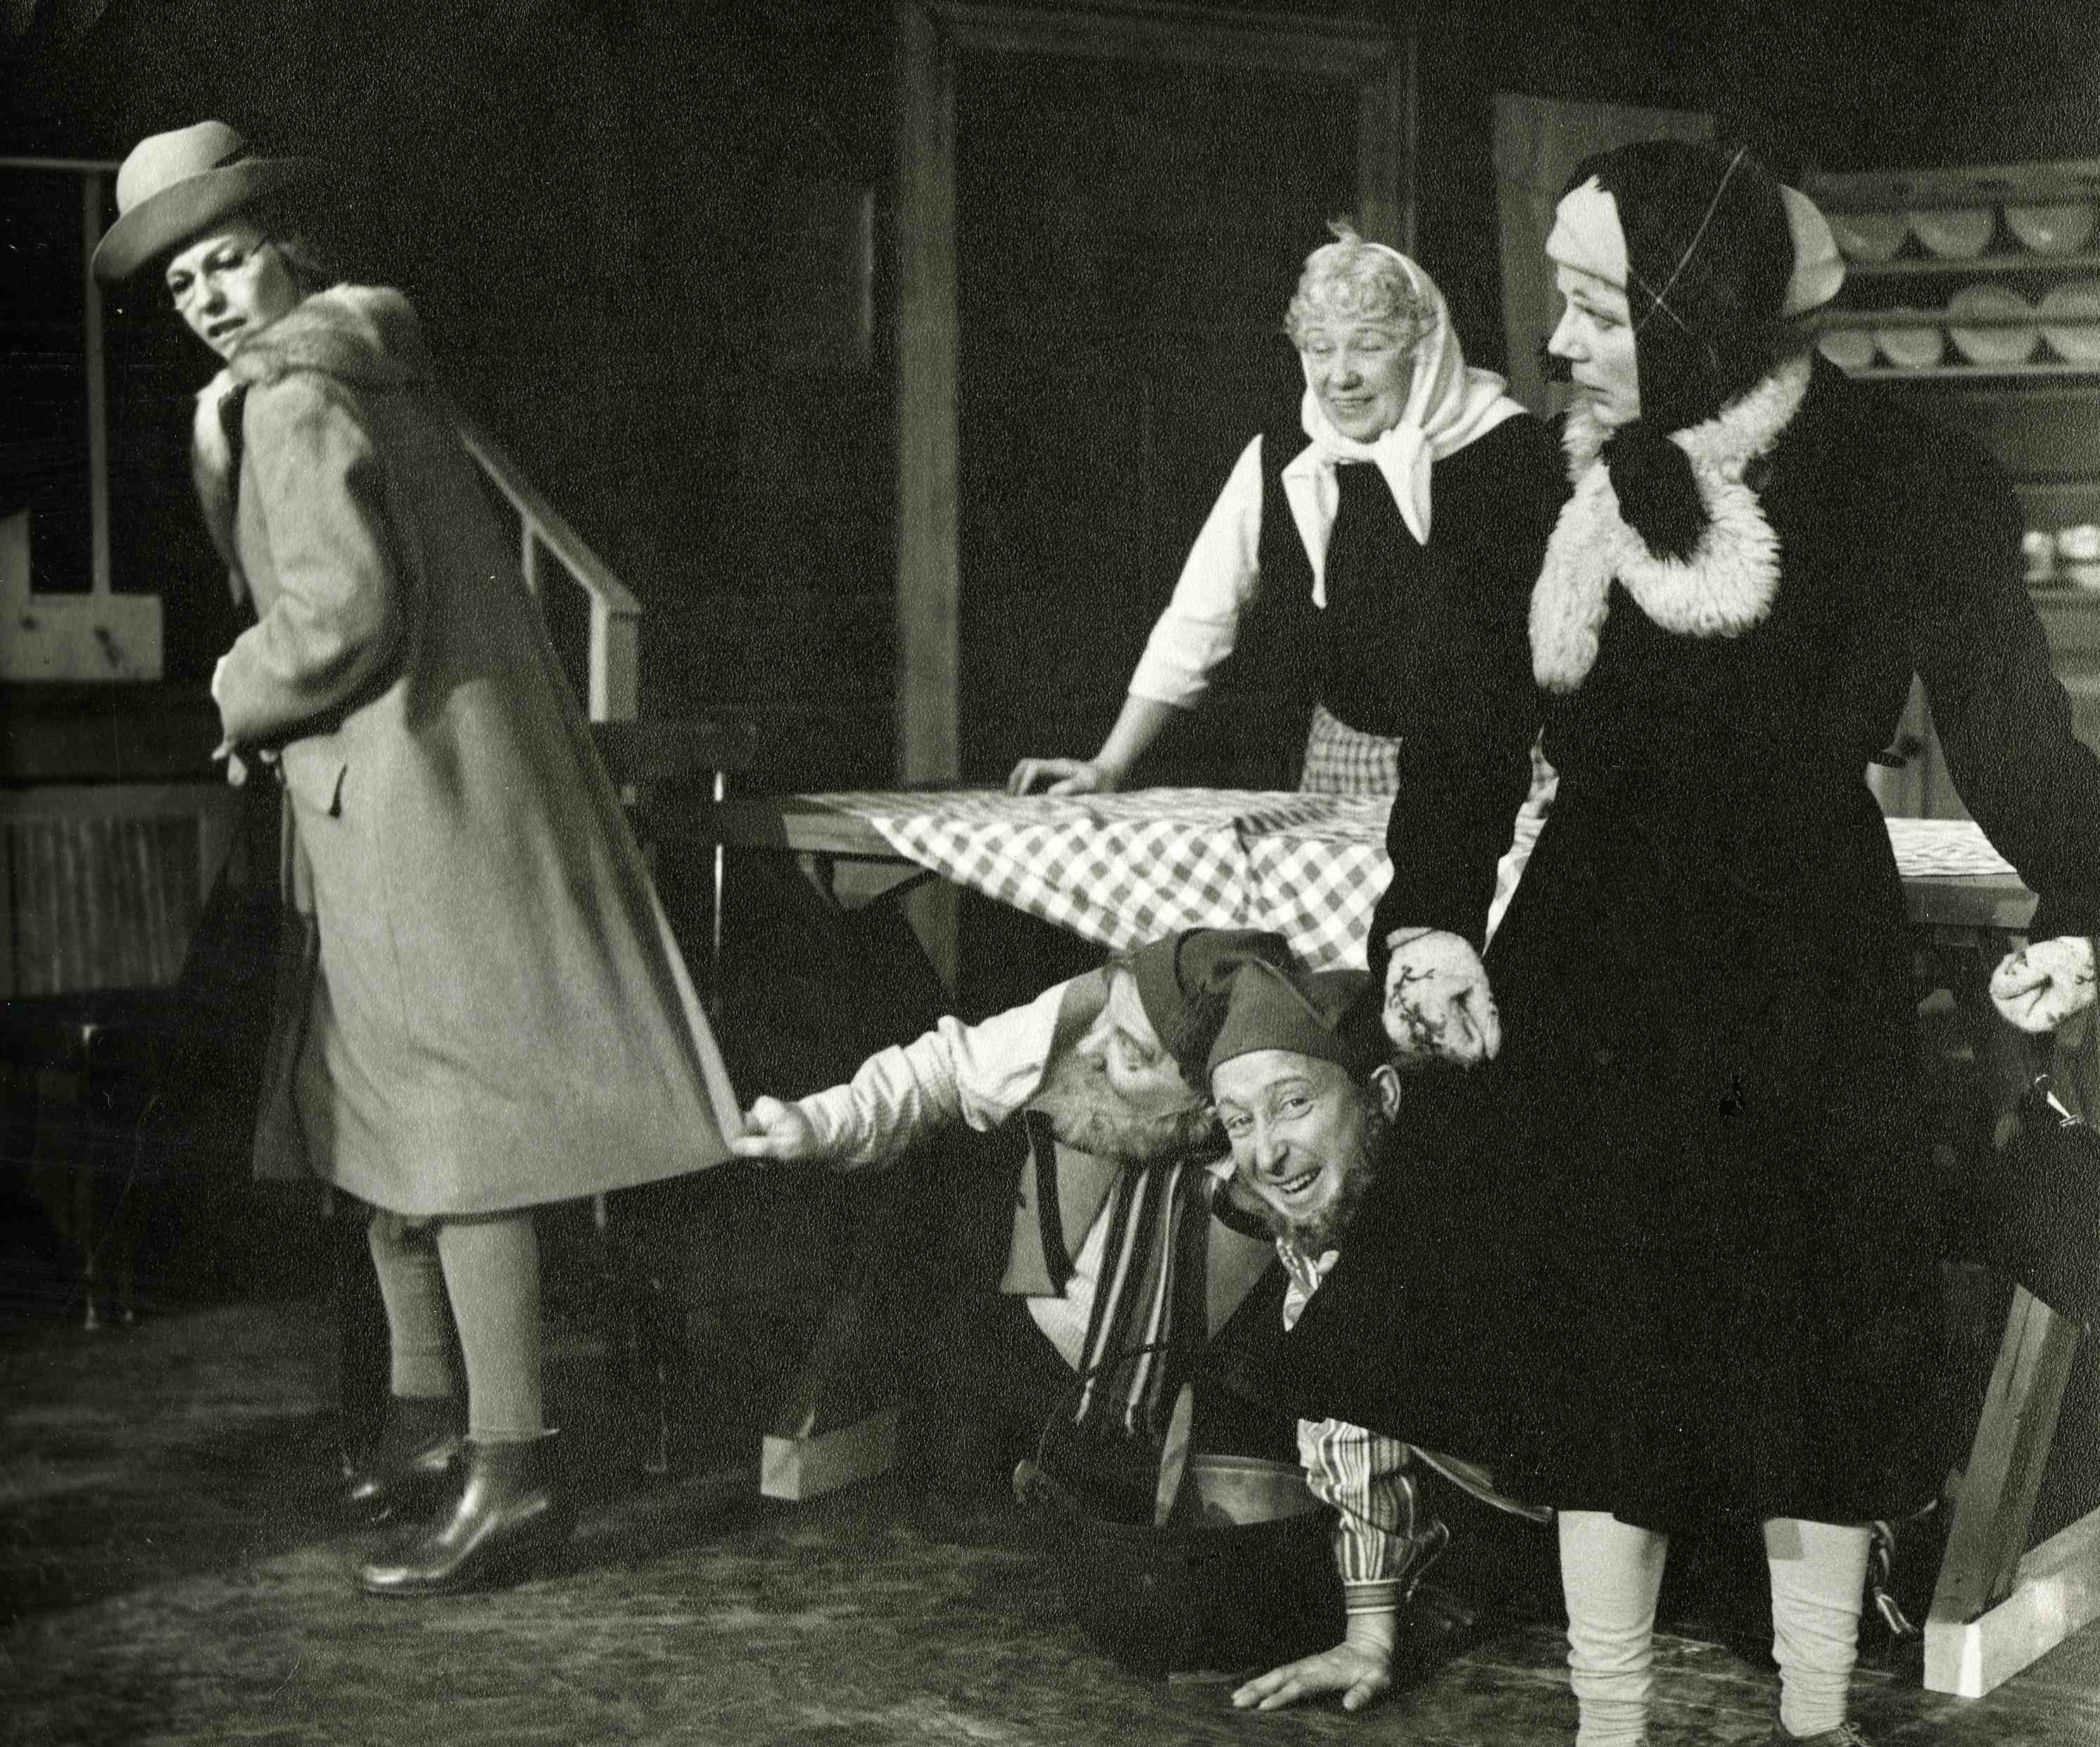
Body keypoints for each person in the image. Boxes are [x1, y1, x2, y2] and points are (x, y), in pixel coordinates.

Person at [1279, 140, 2100, 1747]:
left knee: (1811, 1350)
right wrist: (1433, 926)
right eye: (1561, 302)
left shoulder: (1901, 477)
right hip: (1594, 949)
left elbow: (2011, 730)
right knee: (1608, 1351)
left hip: (1805, 954)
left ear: (1696, 315)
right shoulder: (1517, 490)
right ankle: (1609, 1723)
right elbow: (1459, 752)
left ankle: (1812, 1717)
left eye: (1598, 309)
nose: (1558, 343)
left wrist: (2086, 898)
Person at [93, 122, 742, 1598]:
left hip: (405, 801)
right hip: (423, 784)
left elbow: (341, 617)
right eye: (182, 281)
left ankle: (511, 1465)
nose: (207, 297)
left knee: (453, 1131)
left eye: (225, 260)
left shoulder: (293, 394)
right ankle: (429, 1423)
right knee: (387, 1115)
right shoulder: (376, 365)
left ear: (285, 250)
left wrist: (230, 693)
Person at [733, 928, 1298, 1509]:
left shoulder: (1278, 1112)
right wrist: (820, 1122)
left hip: (1196, 1404)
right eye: (1110, 1019)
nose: (1100, 1046)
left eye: (1136, 1050)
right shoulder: (1103, 1009)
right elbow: (948, 1068)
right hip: (1037, 1365)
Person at [1007, 225, 1564, 799]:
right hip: (1345, 767)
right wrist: (1109, 764)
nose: (1339, 376)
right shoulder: (1281, 460)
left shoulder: (1516, 451)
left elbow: (1583, 634)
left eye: (1369, 345)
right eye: (1320, 348)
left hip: (1503, 770)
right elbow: (1198, 620)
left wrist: (1573, 773)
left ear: (1422, 350)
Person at [1196, 957, 1545, 1716]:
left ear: (1381, 1096)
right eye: (1239, 1120)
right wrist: (1369, 1636)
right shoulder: (1323, 1221)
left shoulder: (1461, 1207)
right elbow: (1355, 1425)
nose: (1265, 1153)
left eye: (1293, 1104)